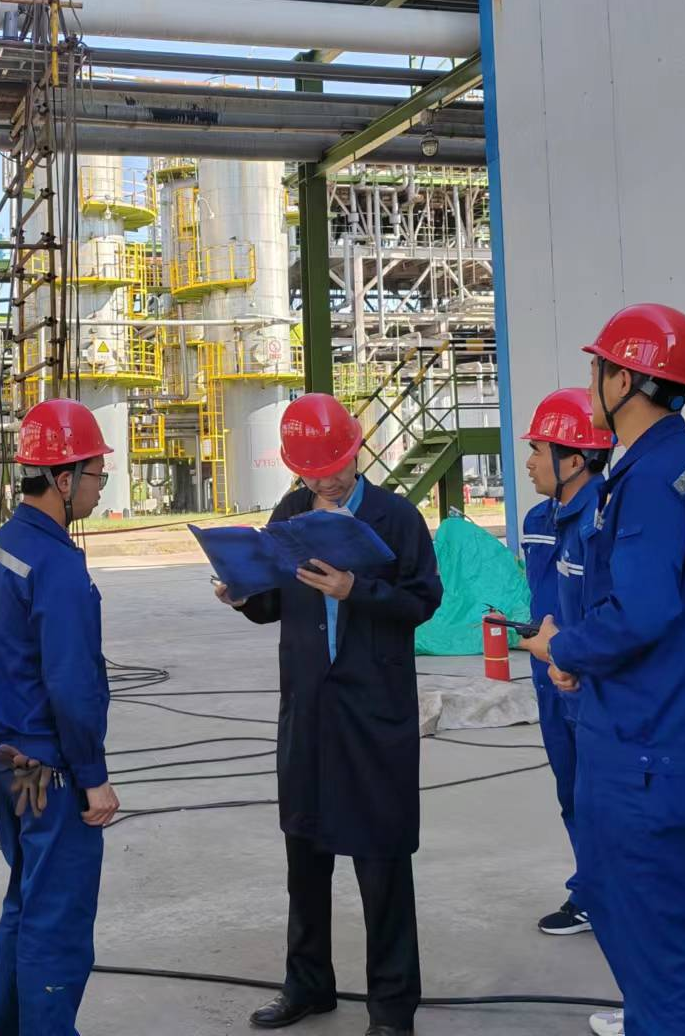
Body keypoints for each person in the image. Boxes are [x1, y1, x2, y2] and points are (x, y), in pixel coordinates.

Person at [519, 304, 685, 1036]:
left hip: (649, 751)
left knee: (666, 957)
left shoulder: (650, 479)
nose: (590, 384)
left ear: (624, 380)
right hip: (672, 737)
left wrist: (564, 649)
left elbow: (642, 612)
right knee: (652, 939)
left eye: (597, 369)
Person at [217, 393, 442, 1036]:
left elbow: (423, 602)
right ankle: (308, 984)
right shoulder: (289, 514)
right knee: (306, 853)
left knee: (381, 860)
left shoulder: (396, 518)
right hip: (309, 710)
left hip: (373, 713)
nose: (326, 482)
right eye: (312, 472)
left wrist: (356, 590)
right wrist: (240, 594)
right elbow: (272, 603)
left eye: (335, 468)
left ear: (356, 450)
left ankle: (392, 1010)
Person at [0, 398, 120, 1036]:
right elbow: (71, 684)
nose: (101, 487)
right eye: (97, 473)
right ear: (62, 479)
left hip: (2, 758)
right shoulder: (56, 565)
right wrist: (93, 776)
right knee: (58, 919)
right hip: (47, 768)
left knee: (26, 901)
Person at [518, 388, 611, 937]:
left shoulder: (605, 520)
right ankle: (592, 893)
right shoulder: (537, 518)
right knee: (572, 792)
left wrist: (572, 657)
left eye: (538, 449)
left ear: (575, 460)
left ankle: (608, 897)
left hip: (589, 682)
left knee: (602, 799)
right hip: (550, 678)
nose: (529, 462)